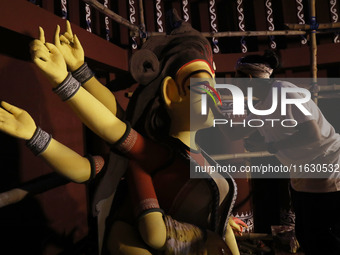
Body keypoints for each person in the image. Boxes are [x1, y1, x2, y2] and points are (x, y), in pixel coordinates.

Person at [20, 12, 245, 254]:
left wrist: (218, 221)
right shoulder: (151, 154)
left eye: (216, 91)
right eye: (204, 89)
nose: (217, 100)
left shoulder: (200, 155)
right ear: (171, 93)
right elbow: (106, 130)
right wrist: (62, 81)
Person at [212, 50, 340, 255]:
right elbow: (235, 133)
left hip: (326, 168)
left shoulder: (285, 93)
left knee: (321, 235)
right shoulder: (262, 104)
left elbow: (313, 134)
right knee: (307, 234)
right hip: (302, 173)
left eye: (237, 79)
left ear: (250, 79)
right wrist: (212, 103)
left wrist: (272, 147)